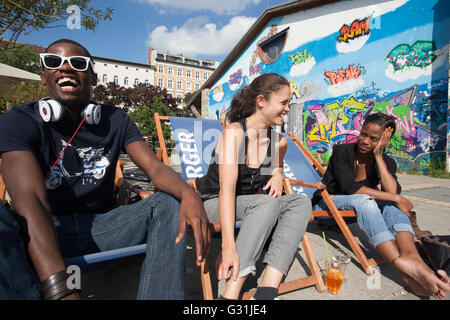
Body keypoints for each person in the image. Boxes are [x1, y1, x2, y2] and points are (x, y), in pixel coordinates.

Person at [0, 39, 211, 300]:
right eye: (54, 62)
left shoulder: (116, 120)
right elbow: (30, 201)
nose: (65, 69)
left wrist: (189, 194)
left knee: (168, 201)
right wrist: (62, 288)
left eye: (78, 64)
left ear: (93, 77)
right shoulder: (20, 121)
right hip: (43, 229)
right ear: (43, 75)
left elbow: (155, 170)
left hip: (101, 227)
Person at [196, 73, 312, 300]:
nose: (288, 108)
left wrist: (278, 172)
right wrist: (228, 246)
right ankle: (231, 292)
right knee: (265, 203)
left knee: (300, 201)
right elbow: (226, 191)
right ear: (261, 101)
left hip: (257, 206)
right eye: (283, 102)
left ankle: (268, 287)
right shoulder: (234, 134)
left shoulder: (279, 141)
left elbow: (277, 165)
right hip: (214, 204)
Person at [312, 112, 449, 299]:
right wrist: (397, 198)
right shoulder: (342, 151)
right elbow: (349, 188)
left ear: (384, 141)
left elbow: (392, 192)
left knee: (390, 204)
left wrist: (378, 156)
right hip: (327, 206)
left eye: (373, 138)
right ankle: (402, 269)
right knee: (369, 200)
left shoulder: (387, 161)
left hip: (355, 210)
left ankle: (412, 258)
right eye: (363, 134)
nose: (365, 141)